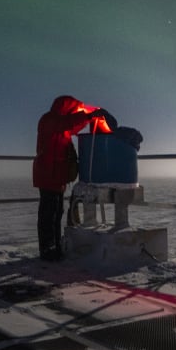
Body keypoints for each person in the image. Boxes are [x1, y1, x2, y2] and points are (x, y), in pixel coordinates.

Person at [33, 95, 115, 261]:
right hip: (48, 175)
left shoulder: (63, 126)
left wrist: (90, 118)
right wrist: (87, 115)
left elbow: (73, 126)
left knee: (57, 212)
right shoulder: (49, 119)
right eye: (73, 109)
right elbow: (65, 123)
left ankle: (55, 247)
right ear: (65, 108)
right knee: (48, 213)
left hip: (57, 177)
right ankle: (47, 249)